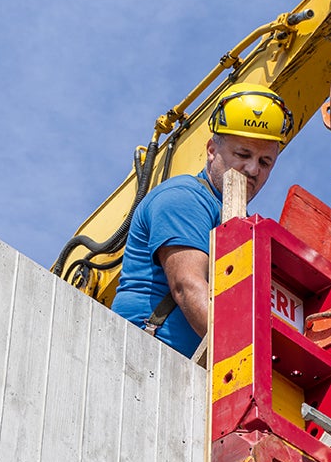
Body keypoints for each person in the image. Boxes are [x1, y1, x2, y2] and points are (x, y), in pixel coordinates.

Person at [112, 83, 291, 357]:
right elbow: (187, 286)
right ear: (211, 150)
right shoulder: (186, 198)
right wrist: (257, 363)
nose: (253, 169)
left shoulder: (239, 223)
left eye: (265, 162)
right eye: (243, 155)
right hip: (147, 355)